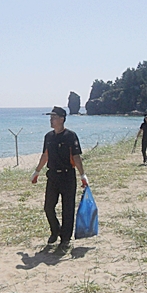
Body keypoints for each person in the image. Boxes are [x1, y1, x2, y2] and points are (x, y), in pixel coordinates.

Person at [31, 106, 88, 251]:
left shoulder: (70, 136)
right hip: (52, 176)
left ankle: (65, 239)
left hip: (67, 176)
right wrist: (37, 172)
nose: (51, 120)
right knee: (48, 207)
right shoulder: (48, 137)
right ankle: (55, 230)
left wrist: (83, 175)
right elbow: (45, 155)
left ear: (62, 119)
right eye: (51, 117)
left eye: (54, 117)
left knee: (67, 209)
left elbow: (76, 157)